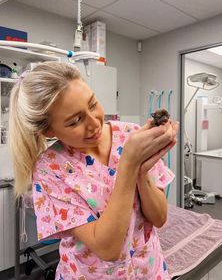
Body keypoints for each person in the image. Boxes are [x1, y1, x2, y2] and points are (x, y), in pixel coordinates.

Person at [9, 61, 178, 280]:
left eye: (93, 104)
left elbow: (159, 218)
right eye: (75, 120)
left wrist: (141, 172)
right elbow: (107, 249)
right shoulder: (50, 169)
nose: (94, 123)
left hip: (148, 270)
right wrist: (128, 164)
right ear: (48, 131)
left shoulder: (130, 134)